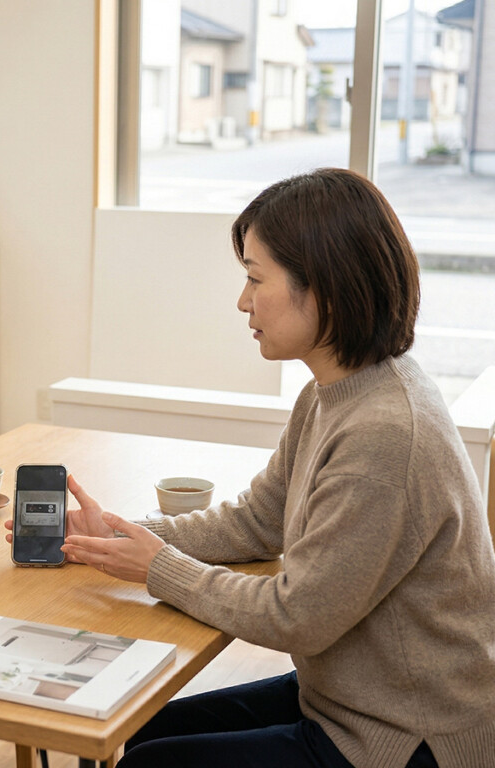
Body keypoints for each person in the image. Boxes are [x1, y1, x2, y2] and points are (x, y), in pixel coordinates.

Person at [32, 168, 495, 768]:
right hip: (350, 698)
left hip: (407, 735)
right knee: (144, 727)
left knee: (152, 760)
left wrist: (158, 568)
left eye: (255, 278)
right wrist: (125, 537)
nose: (243, 301)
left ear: (325, 287)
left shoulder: (386, 434)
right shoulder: (337, 392)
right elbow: (259, 519)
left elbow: (295, 615)